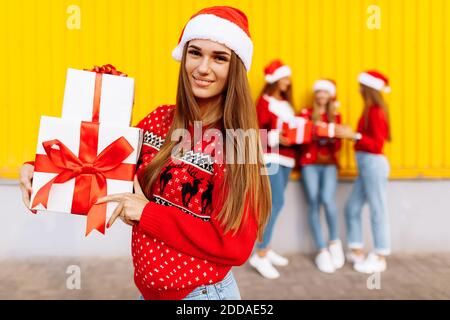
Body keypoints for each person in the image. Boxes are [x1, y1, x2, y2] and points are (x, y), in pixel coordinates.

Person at [19, 6, 271, 300]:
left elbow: (235, 247)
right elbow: (100, 165)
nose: (203, 67)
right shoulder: (159, 120)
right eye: (195, 53)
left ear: (235, 69)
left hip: (201, 296)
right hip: (148, 294)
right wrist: (39, 169)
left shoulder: (240, 144)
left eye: (219, 58)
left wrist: (148, 213)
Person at [335, 70, 391, 273]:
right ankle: (356, 249)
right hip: (367, 166)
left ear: (368, 89)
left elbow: (376, 145)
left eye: (361, 86)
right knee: (352, 207)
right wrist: (354, 134)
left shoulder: (376, 111)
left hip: (374, 164)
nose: (358, 89)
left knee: (378, 209)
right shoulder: (370, 110)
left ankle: (380, 255)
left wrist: (354, 135)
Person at [249, 59, 295, 279]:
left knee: (276, 204)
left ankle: (266, 247)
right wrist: (278, 138)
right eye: (285, 78)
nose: (288, 82)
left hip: (286, 159)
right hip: (270, 158)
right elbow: (255, 132)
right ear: (276, 80)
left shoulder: (286, 103)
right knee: (274, 204)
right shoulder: (264, 102)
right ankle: (260, 253)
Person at [298, 79, 344, 273]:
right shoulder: (306, 114)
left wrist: (331, 134)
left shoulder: (336, 115)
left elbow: (340, 144)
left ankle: (334, 241)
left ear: (330, 95)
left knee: (327, 199)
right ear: (316, 95)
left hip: (329, 164)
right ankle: (321, 249)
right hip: (310, 164)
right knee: (314, 202)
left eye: (325, 93)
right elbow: (299, 138)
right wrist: (313, 131)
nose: (322, 96)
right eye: (319, 92)